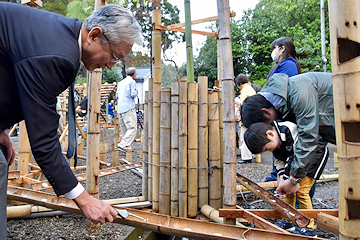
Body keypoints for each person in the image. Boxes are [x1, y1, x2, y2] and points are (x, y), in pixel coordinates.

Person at [0, 2, 143, 237]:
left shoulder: (61, 36)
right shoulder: (59, 56)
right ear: (94, 35)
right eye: (115, 56)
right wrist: (85, 200)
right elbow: (44, 142)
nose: (109, 65)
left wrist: (2, 130)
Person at [241, 72, 335, 236]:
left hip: (344, 115)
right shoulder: (280, 105)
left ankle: (307, 222)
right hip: (322, 137)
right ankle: (295, 218)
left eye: (264, 127)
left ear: (267, 113)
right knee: (296, 186)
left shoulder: (299, 92)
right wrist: (282, 176)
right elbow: (281, 153)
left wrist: (293, 178)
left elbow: (308, 137)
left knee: (301, 187)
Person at [245, 121, 329, 236]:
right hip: (296, 163)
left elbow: (297, 155)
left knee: (302, 192)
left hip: (313, 156)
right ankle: (288, 220)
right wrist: (281, 177)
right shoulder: (275, 141)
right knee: (288, 192)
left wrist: (291, 180)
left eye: (266, 149)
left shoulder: (288, 130)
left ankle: (309, 227)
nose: (269, 151)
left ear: (270, 134)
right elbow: (279, 160)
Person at [265, 36, 301, 182]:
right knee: (279, 149)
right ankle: (277, 178)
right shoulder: (281, 65)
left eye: (274, 48)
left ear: (282, 48)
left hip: (286, 116)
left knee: (287, 148)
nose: (273, 51)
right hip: (279, 115)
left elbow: (280, 91)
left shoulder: (289, 65)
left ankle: (284, 179)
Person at [234, 74, 257, 164]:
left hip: (247, 117)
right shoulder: (250, 89)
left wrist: (236, 101)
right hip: (252, 116)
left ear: (239, 84)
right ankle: (249, 156)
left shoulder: (245, 90)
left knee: (244, 137)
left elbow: (242, 103)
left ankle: (246, 157)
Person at [116, 67, 138, 152]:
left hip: (120, 108)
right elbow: (133, 94)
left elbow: (117, 95)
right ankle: (123, 144)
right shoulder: (132, 82)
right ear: (134, 74)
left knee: (125, 128)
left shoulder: (121, 83)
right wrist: (137, 92)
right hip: (128, 107)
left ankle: (127, 147)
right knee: (132, 128)